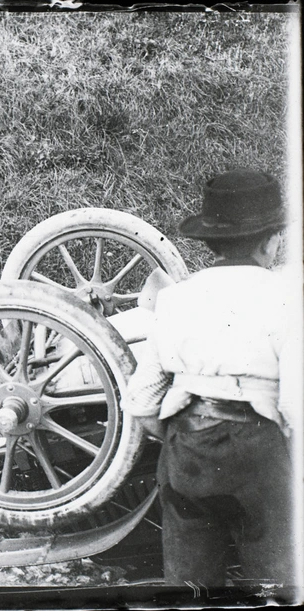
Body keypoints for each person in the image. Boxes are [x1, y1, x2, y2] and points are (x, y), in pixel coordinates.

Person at [121, 169, 298, 588]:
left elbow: (143, 399)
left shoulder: (176, 298)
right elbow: (294, 403)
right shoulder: (288, 297)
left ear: (212, 242)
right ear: (271, 240)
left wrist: (182, 437)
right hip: (260, 452)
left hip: (188, 451)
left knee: (189, 586)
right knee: (276, 584)